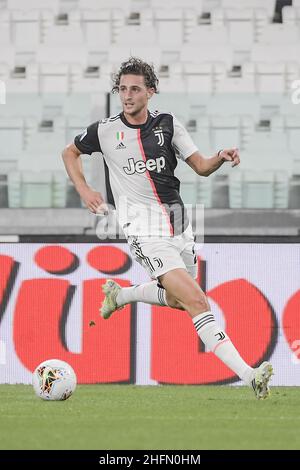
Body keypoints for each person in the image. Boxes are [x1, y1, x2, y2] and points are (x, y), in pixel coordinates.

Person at [62, 57, 273, 399]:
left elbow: (202, 167)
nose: (127, 96)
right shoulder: (103, 130)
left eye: (134, 89)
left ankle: (123, 295)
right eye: (122, 89)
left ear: (151, 92)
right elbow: (69, 153)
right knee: (197, 301)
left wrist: (220, 155)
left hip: (179, 226)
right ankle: (250, 376)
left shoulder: (168, 125)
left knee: (178, 301)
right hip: (143, 230)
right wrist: (85, 190)